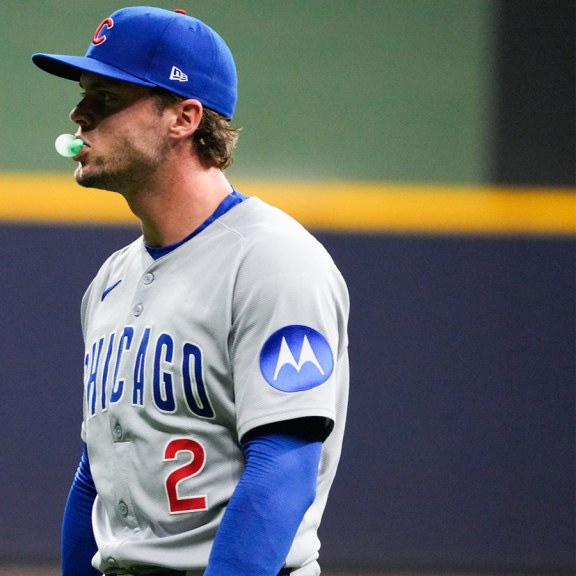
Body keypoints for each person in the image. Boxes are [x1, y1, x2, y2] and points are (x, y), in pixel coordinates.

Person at [32, 7, 349, 576]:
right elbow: (98, 475)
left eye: (105, 97)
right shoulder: (110, 280)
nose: (78, 114)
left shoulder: (272, 260)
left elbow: (284, 465)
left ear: (184, 117)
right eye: (84, 94)